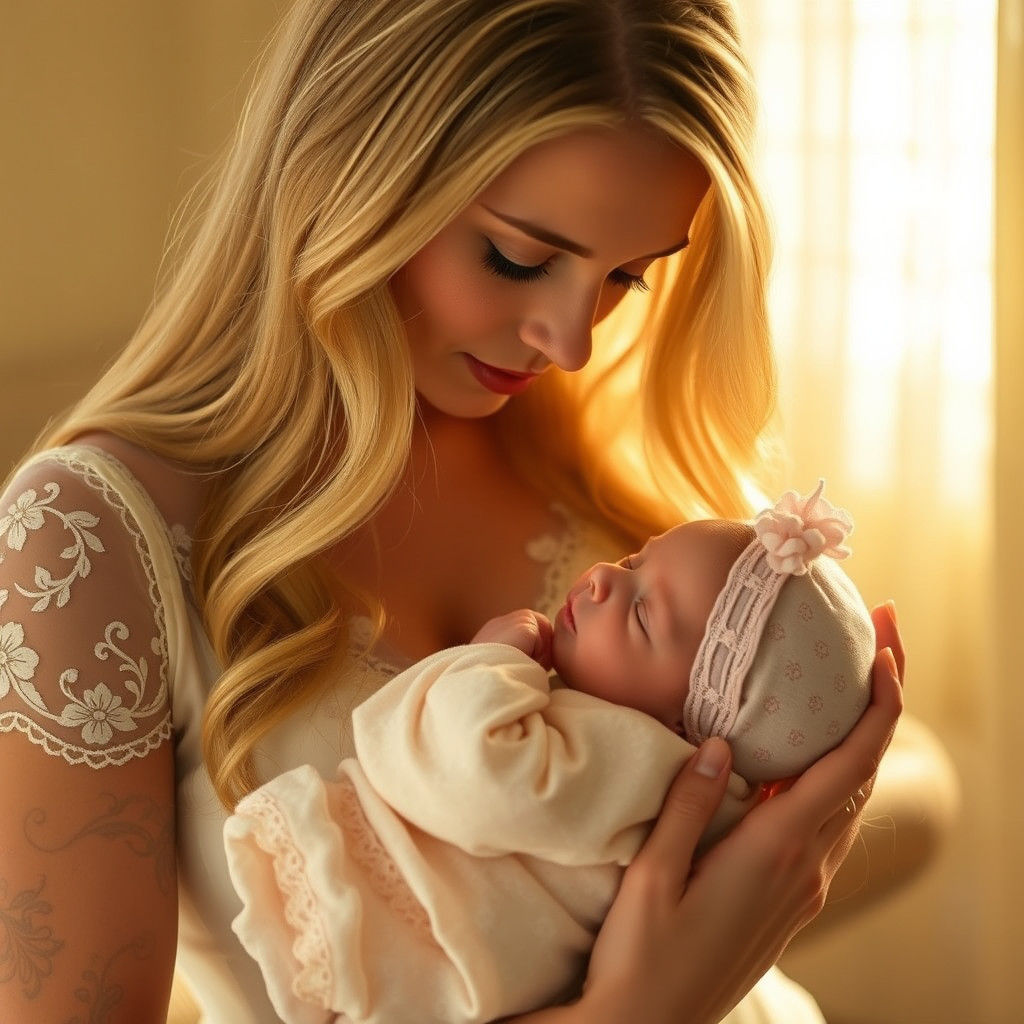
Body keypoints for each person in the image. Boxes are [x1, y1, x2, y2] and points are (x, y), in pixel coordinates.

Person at [0, 2, 921, 1022]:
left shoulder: (611, 460)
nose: (569, 343)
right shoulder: (86, 542)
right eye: (518, 258)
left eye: (624, 275)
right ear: (351, 170)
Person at [223, 482, 876, 1024]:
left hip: (386, 944)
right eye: (632, 562)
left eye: (644, 615)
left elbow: (471, 772)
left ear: (692, 723)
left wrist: (489, 662)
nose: (598, 581)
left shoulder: (638, 765)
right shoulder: (686, 791)